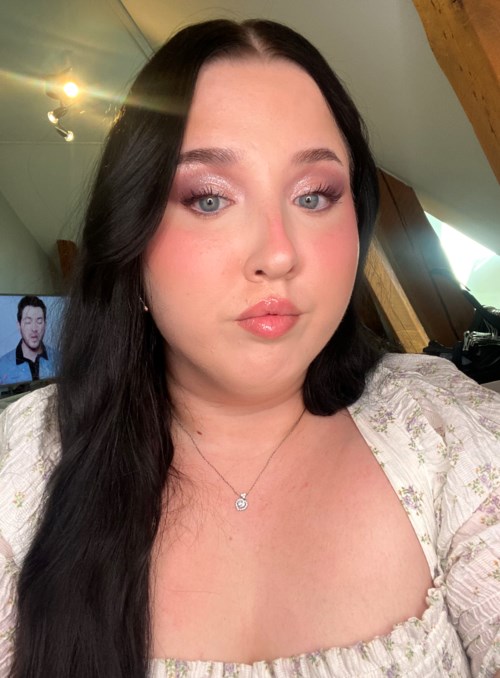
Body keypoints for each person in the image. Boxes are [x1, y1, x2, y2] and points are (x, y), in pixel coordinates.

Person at [0, 18, 498, 678]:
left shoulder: (446, 432)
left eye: (314, 195)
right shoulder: (22, 467)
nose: (279, 253)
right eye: (209, 199)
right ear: (131, 239)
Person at [0, 295, 59, 386]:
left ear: (45, 324)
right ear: (19, 325)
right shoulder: (2, 366)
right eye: (28, 322)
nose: (34, 328)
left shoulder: (60, 360)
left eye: (39, 322)